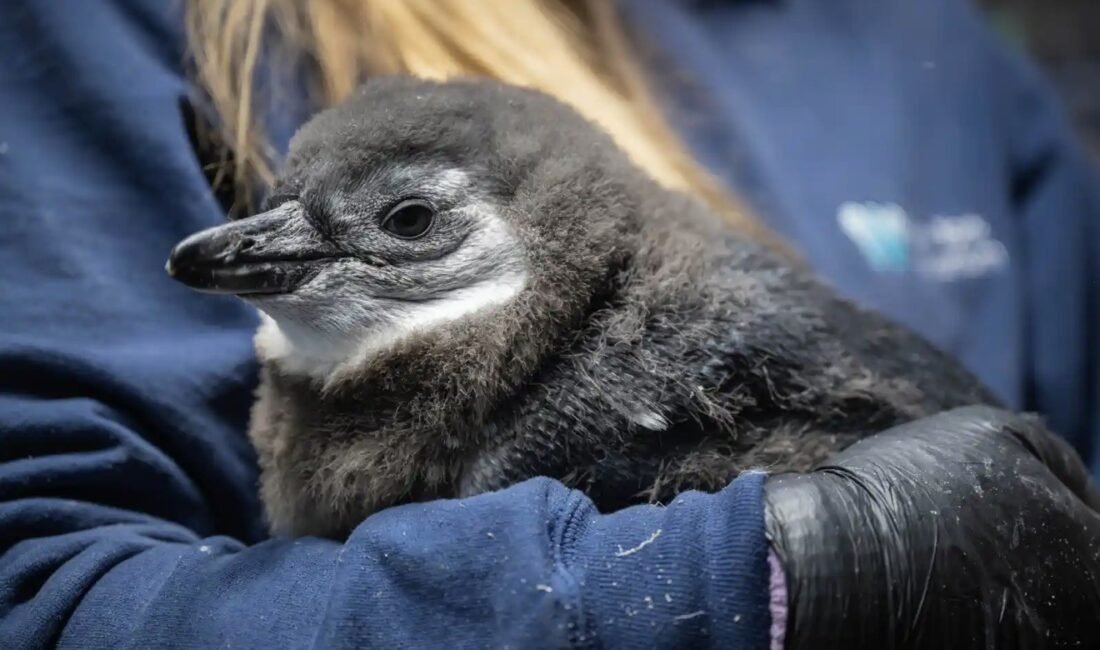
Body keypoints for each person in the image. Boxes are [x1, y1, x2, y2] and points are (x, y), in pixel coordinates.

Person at [0, 1, 1097, 648]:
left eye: (415, 219)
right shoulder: (149, 25)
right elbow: (44, 594)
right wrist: (765, 577)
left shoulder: (932, 53)